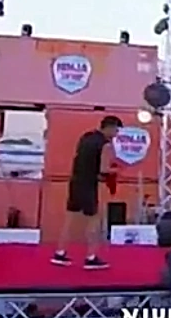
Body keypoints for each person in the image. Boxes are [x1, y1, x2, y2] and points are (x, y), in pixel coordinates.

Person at [52, 115, 123, 269]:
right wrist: (116, 170)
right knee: (93, 220)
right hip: (89, 185)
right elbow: (103, 169)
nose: (117, 134)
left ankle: (60, 253)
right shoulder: (105, 145)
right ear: (109, 128)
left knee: (70, 219)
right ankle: (91, 257)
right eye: (116, 130)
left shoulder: (85, 138)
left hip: (76, 181)